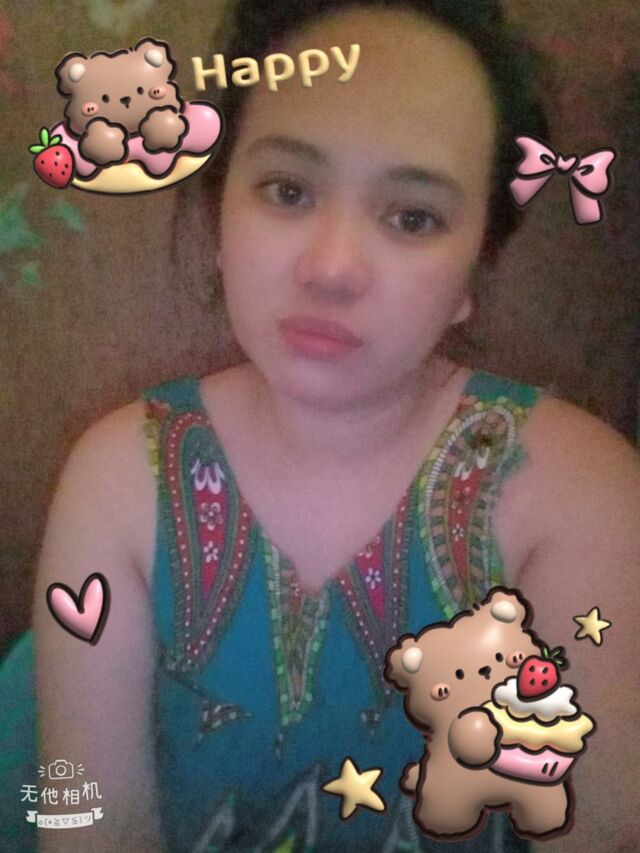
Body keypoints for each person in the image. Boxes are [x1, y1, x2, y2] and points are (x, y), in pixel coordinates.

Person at [1, 1, 638, 851]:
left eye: (413, 217)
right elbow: (86, 823)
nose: (332, 268)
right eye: (288, 191)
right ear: (218, 214)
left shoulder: (579, 493)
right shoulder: (118, 477)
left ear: (473, 270)